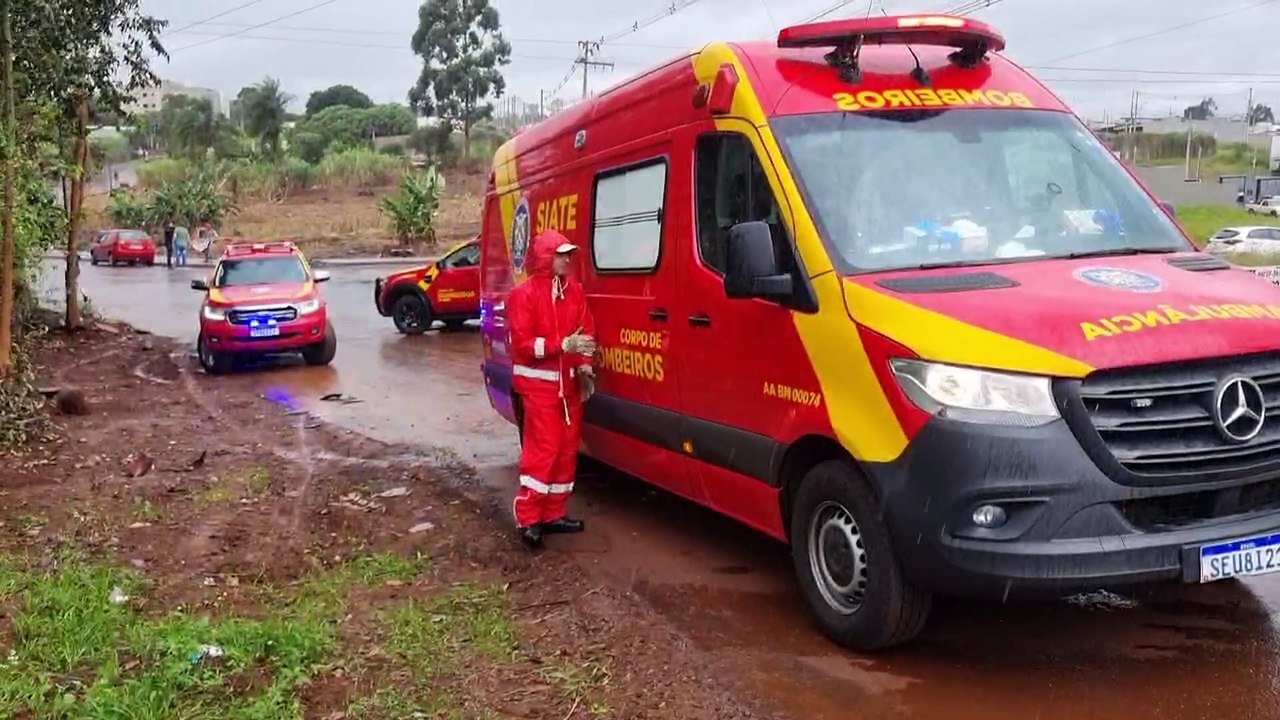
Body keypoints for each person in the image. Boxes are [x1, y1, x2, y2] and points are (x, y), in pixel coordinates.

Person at [507, 229, 597, 549]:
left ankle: (553, 514)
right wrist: (563, 345)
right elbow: (524, 345)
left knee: (565, 450)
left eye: (569, 253)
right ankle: (529, 518)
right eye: (560, 254)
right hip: (538, 389)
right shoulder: (524, 295)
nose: (567, 259)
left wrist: (585, 364)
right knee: (543, 452)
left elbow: (586, 331)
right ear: (546, 257)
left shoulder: (574, 292)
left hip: (569, 388)